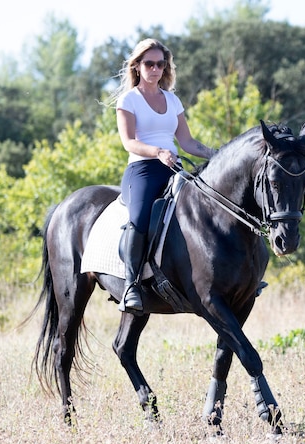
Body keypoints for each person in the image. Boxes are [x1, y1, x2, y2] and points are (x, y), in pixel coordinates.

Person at [112, 38, 216, 312]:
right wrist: (157, 151)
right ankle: (131, 286)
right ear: (137, 66)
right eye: (149, 63)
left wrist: (217, 154)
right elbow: (129, 142)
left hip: (173, 166)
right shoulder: (129, 99)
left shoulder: (172, 100)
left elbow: (188, 143)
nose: (155, 68)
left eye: (161, 64)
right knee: (139, 219)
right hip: (142, 168)